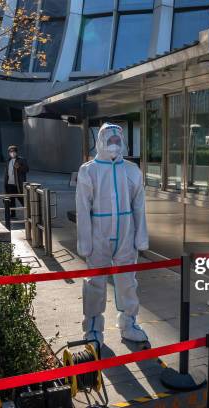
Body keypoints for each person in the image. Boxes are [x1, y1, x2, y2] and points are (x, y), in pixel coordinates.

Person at [76, 123, 149, 345]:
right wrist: (85, 241)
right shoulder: (89, 170)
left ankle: (129, 323)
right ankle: (93, 328)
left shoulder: (132, 170)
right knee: (95, 282)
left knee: (128, 281)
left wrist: (141, 236)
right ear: (100, 142)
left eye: (118, 141)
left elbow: (139, 206)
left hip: (126, 235)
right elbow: (82, 208)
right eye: (110, 140)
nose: (114, 145)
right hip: (99, 235)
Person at [4, 145, 29, 216]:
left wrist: (19, 167)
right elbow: (6, 173)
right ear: (9, 153)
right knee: (11, 200)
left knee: (22, 199)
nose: (12, 153)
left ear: (16, 152)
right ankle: (13, 213)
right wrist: (5, 184)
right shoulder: (8, 161)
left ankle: (29, 213)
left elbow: (27, 169)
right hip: (9, 184)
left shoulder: (22, 160)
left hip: (18, 184)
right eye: (11, 152)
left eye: (14, 151)